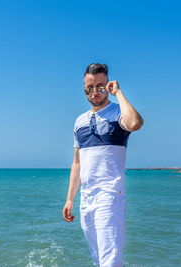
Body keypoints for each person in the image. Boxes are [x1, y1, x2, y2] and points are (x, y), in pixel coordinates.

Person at [62, 63, 143, 267]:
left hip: (109, 196)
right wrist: (70, 199)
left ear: (108, 86)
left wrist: (119, 94)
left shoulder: (118, 114)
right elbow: (77, 163)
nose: (95, 92)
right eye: (90, 87)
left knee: (110, 262)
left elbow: (135, 123)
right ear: (84, 88)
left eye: (100, 86)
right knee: (100, 260)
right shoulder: (79, 121)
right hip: (86, 199)